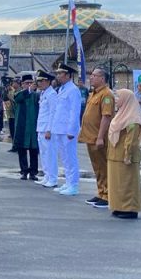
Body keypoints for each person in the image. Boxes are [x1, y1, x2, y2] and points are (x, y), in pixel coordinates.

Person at [78, 68, 113, 208]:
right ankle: (100, 192)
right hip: (90, 136)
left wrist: (100, 137)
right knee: (97, 167)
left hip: (99, 137)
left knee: (104, 167)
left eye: (94, 76)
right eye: (91, 75)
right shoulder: (93, 94)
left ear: (102, 78)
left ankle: (107, 195)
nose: (91, 78)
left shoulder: (106, 94)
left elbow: (106, 116)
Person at [106, 89, 141, 219]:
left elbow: (132, 140)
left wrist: (128, 155)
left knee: (128, 184)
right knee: (117, 184)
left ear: (126, 99)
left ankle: (130, 209)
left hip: (126, 157)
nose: (116, 100)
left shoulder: (132, 118)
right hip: (115, 156)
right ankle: (119, 206)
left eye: (118, 97)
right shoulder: (121, 115)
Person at [50, 64, 81, 197]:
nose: (58, 76)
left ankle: (73, 185)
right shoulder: (62, 89)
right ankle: (68, 182)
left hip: (67, 130)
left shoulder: (73, 90)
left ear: (68, 75)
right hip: (59, 128)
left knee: (70, 157)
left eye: (60, 74)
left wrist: (71, 131)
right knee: (64, 157)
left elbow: (74, 112)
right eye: (57, 74)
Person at [12, 72, 40, 180]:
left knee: (34, 150)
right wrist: (28, 90)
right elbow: (17, 99)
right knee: (22, 150)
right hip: (22, 125)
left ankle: (33, 172)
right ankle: (24, 171)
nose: (29, 85)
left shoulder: (36, 95)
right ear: (22, 84)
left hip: (33, 126)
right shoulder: (19, 94)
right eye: (26, 83)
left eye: (30, 83)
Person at [36, 72, 58, 186]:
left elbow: (53, 113)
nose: (39, 83)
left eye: (42, 81)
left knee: (50, 154)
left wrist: (49, 129)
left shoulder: (52, 94)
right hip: (41, 127)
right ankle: (47, 175)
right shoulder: (43, 93)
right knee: (44, 154)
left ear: (48, 81)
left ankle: (53, 178)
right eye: (39, 81)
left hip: (47, 129)